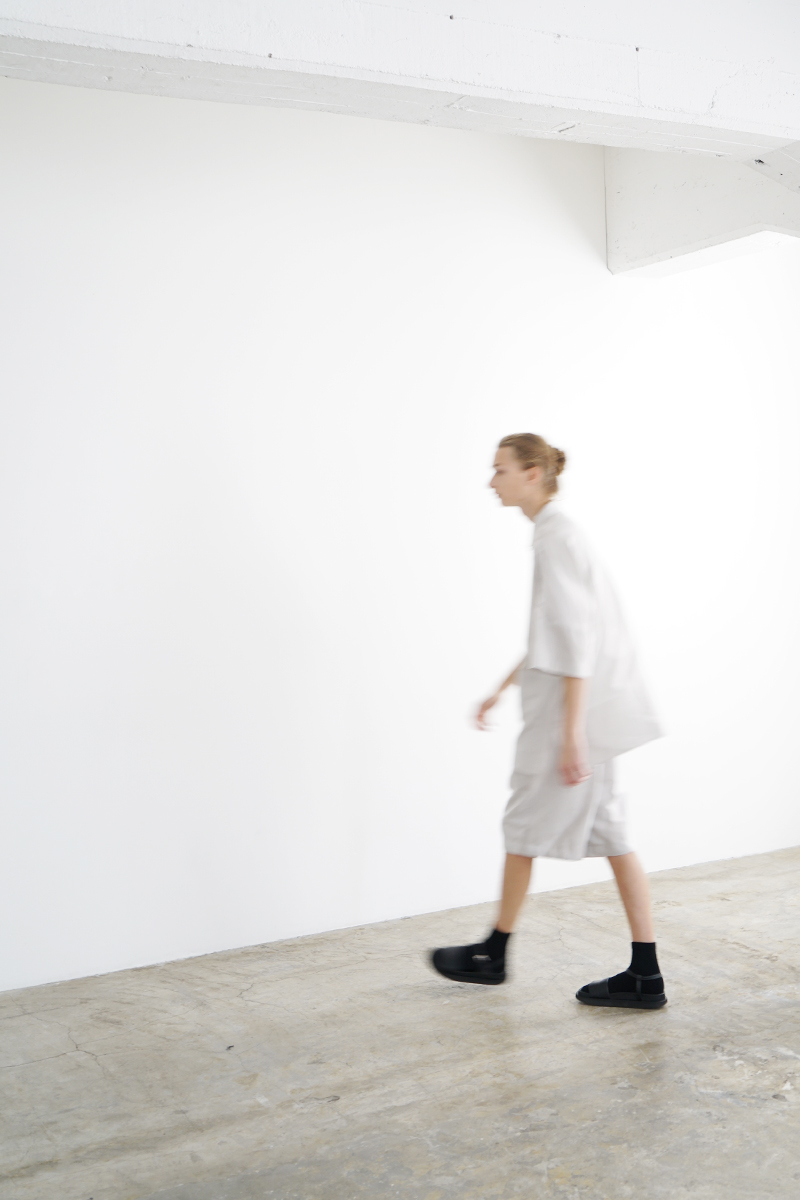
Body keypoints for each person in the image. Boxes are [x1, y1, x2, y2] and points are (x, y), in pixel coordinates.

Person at [430, 433, 667, 1009]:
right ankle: (646, 974)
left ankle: (493, 953)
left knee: (522, 829)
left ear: (532, 473)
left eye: (500, 469)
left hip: (571, 720)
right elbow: (554, 634)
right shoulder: (557, 533)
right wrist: (500, 688)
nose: (492, 481)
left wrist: (572, 735)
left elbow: (578, 642)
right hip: (588, 719)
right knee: (614, 837)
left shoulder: (556, 536)